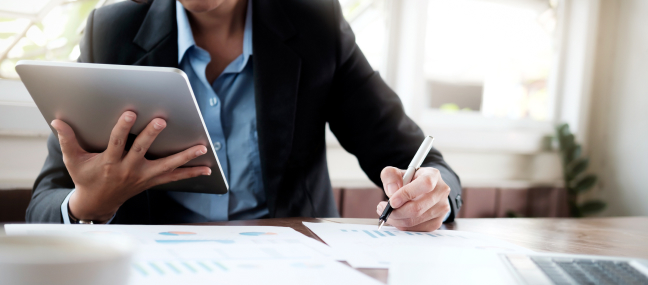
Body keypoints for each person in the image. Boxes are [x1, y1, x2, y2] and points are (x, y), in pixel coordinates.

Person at [26, 0, 462, 231]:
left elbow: (421, 161)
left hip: (295, 275)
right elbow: (45, 203)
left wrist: (431, 199)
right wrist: (91, 203)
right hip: (158, 281)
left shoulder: (315, 23)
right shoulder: (112, 32)